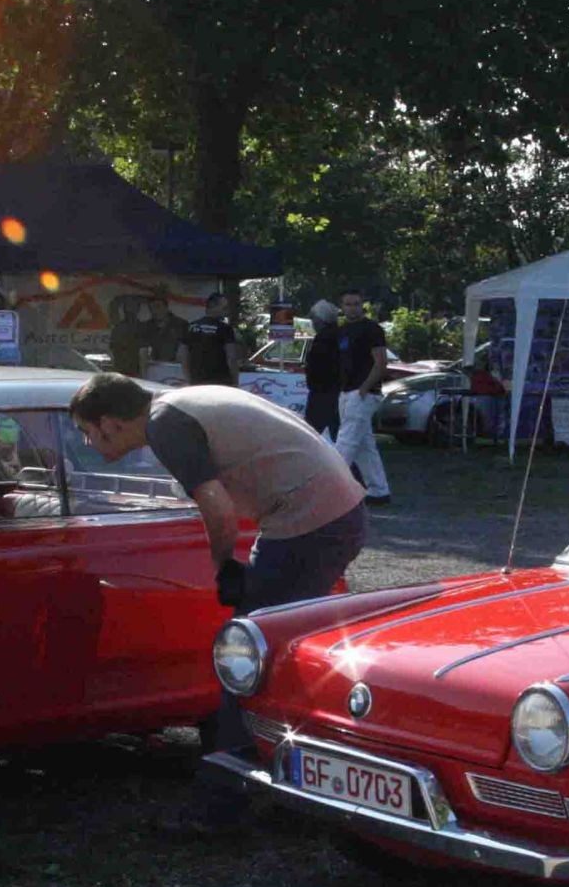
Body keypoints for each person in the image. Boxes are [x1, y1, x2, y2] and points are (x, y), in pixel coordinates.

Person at [68, 373, 366, 762]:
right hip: (333, 513)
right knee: (280, 641)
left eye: (87, 431)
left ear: (109, 423)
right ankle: (291, 751)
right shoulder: (180, 402)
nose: (88, 443)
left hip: (310, 522)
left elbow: (217, 505)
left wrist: (224, 566)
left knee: (248, 650)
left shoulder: (165, 426)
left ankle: (236, 770)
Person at [332, 289, 393, 506]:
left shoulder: (372, 329)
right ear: (342, 306)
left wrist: (364, 389)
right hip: (348, 391)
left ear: (362, 305)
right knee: (364, 446)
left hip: (363, 392)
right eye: (348, 304)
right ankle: (378, 490)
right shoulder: (343, 331)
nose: (352, 308)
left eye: (356, 304)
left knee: (346, 441)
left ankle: (327, 489)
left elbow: (381, 362)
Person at [179, 288, 243, 386]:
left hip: (196, 381)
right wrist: (235, 382)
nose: (227, 311)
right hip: (220, 382)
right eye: (224, 308)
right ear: (213, 307)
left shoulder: (191, 327)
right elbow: (232, 357)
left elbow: (183, 355)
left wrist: (188, 379)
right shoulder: (225, 328)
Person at [302, 297, 342, 439]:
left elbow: (319, 366)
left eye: (314, 319)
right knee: (338, 433)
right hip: (335, 391)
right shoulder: (339, 335)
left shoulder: (324, 339)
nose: (312, 322)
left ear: (321, 320)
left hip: (323, 392)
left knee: (310, 433)